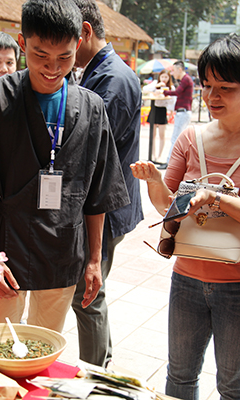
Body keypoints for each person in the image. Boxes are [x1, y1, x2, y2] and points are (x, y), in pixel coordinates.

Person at [0, 0, 129, 333]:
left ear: (79, 44)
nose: (53, 68)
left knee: (45, 349)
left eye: (65, 57)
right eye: (41, 56)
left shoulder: (92, 107)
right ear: (22, 43)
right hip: (5, 249)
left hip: (63, 250)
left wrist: (95, 260)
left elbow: (98, 195)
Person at [131, 34, 240, 400]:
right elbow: (167, 207)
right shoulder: (191, 138)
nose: (212, 97)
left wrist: (218, 199)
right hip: (188, 278)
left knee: (232, 386)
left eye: (225, 87)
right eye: (208, 86)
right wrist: (156, 180)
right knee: (178, 377)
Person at [70, 0, 143, 367]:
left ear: (84, 31)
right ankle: (102, 361)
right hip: (104, 203)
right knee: (88, 292)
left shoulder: (113, 79)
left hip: (106, 207)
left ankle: (96, 369)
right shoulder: (98, 71)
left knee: (87, 292)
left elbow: (94, 153)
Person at [163, 61, 193, 165]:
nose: (173, 73)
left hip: (183, 112)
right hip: (183, 112)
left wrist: (164, 91)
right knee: (178, 138)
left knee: (175, 138)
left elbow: (177, 92)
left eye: (174, 70)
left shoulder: (185, 79)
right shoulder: (186, 79)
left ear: (180, 69)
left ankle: (169, 162)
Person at [143, 70, 176, 162]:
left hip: (162, 110)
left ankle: (159, 155)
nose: (164, 79)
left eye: (166, 77)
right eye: (162, 77)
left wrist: (170, 113)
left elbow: (172, 101)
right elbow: (145, 89)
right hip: (154, 108)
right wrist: (157, 87)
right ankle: (152, 155)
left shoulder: (171, 87)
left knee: (162, 134)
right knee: (152, 134)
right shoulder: (155, 84)